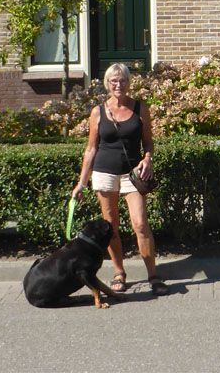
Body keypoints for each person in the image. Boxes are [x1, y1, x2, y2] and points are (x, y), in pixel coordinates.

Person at [71, 62, 167, 296]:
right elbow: (91, 149)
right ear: (107, 83)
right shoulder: (98, 112)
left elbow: (148, 143)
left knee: (140, 224)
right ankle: (119, 272)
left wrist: (148, 159)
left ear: (128, 82)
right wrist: (82, 182)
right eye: (114, 81)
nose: (118, 84)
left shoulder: (140, 108)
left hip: (132, 175)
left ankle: (153, 275)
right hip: (104, 173)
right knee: (111, 227)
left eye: (122, 80)